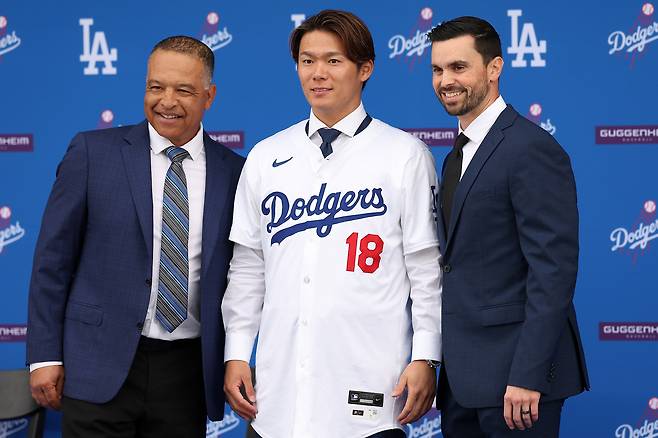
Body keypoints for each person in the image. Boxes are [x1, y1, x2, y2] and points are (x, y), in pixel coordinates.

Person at [221, 9, 442, 438]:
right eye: (307, 61)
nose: (317, 73)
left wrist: (426, 355)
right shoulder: (266, 156)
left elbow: (425, 268)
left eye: (333, 60)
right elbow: (248, 267)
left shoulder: (405, 155)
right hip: (278, 402)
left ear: (365, 69)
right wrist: (236, 352)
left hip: (370, 392)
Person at [26, 35, 244, 437]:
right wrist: (44, 356)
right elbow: (51, 262)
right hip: (96, 362)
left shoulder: (236, 172)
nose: (166, 101)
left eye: (183, 90)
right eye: (156, 86)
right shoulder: (92, 153)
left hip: (186, 374)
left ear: (209, 96)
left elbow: (244, 276)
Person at [428, 16, 590, 437]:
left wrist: (527, 375)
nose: (446, 80)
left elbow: (553, 271)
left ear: (494, 68)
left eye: (458, 67)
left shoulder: (531, 148)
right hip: (463, 384)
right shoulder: (455, 157)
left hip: (517, 386)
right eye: (438, 69)